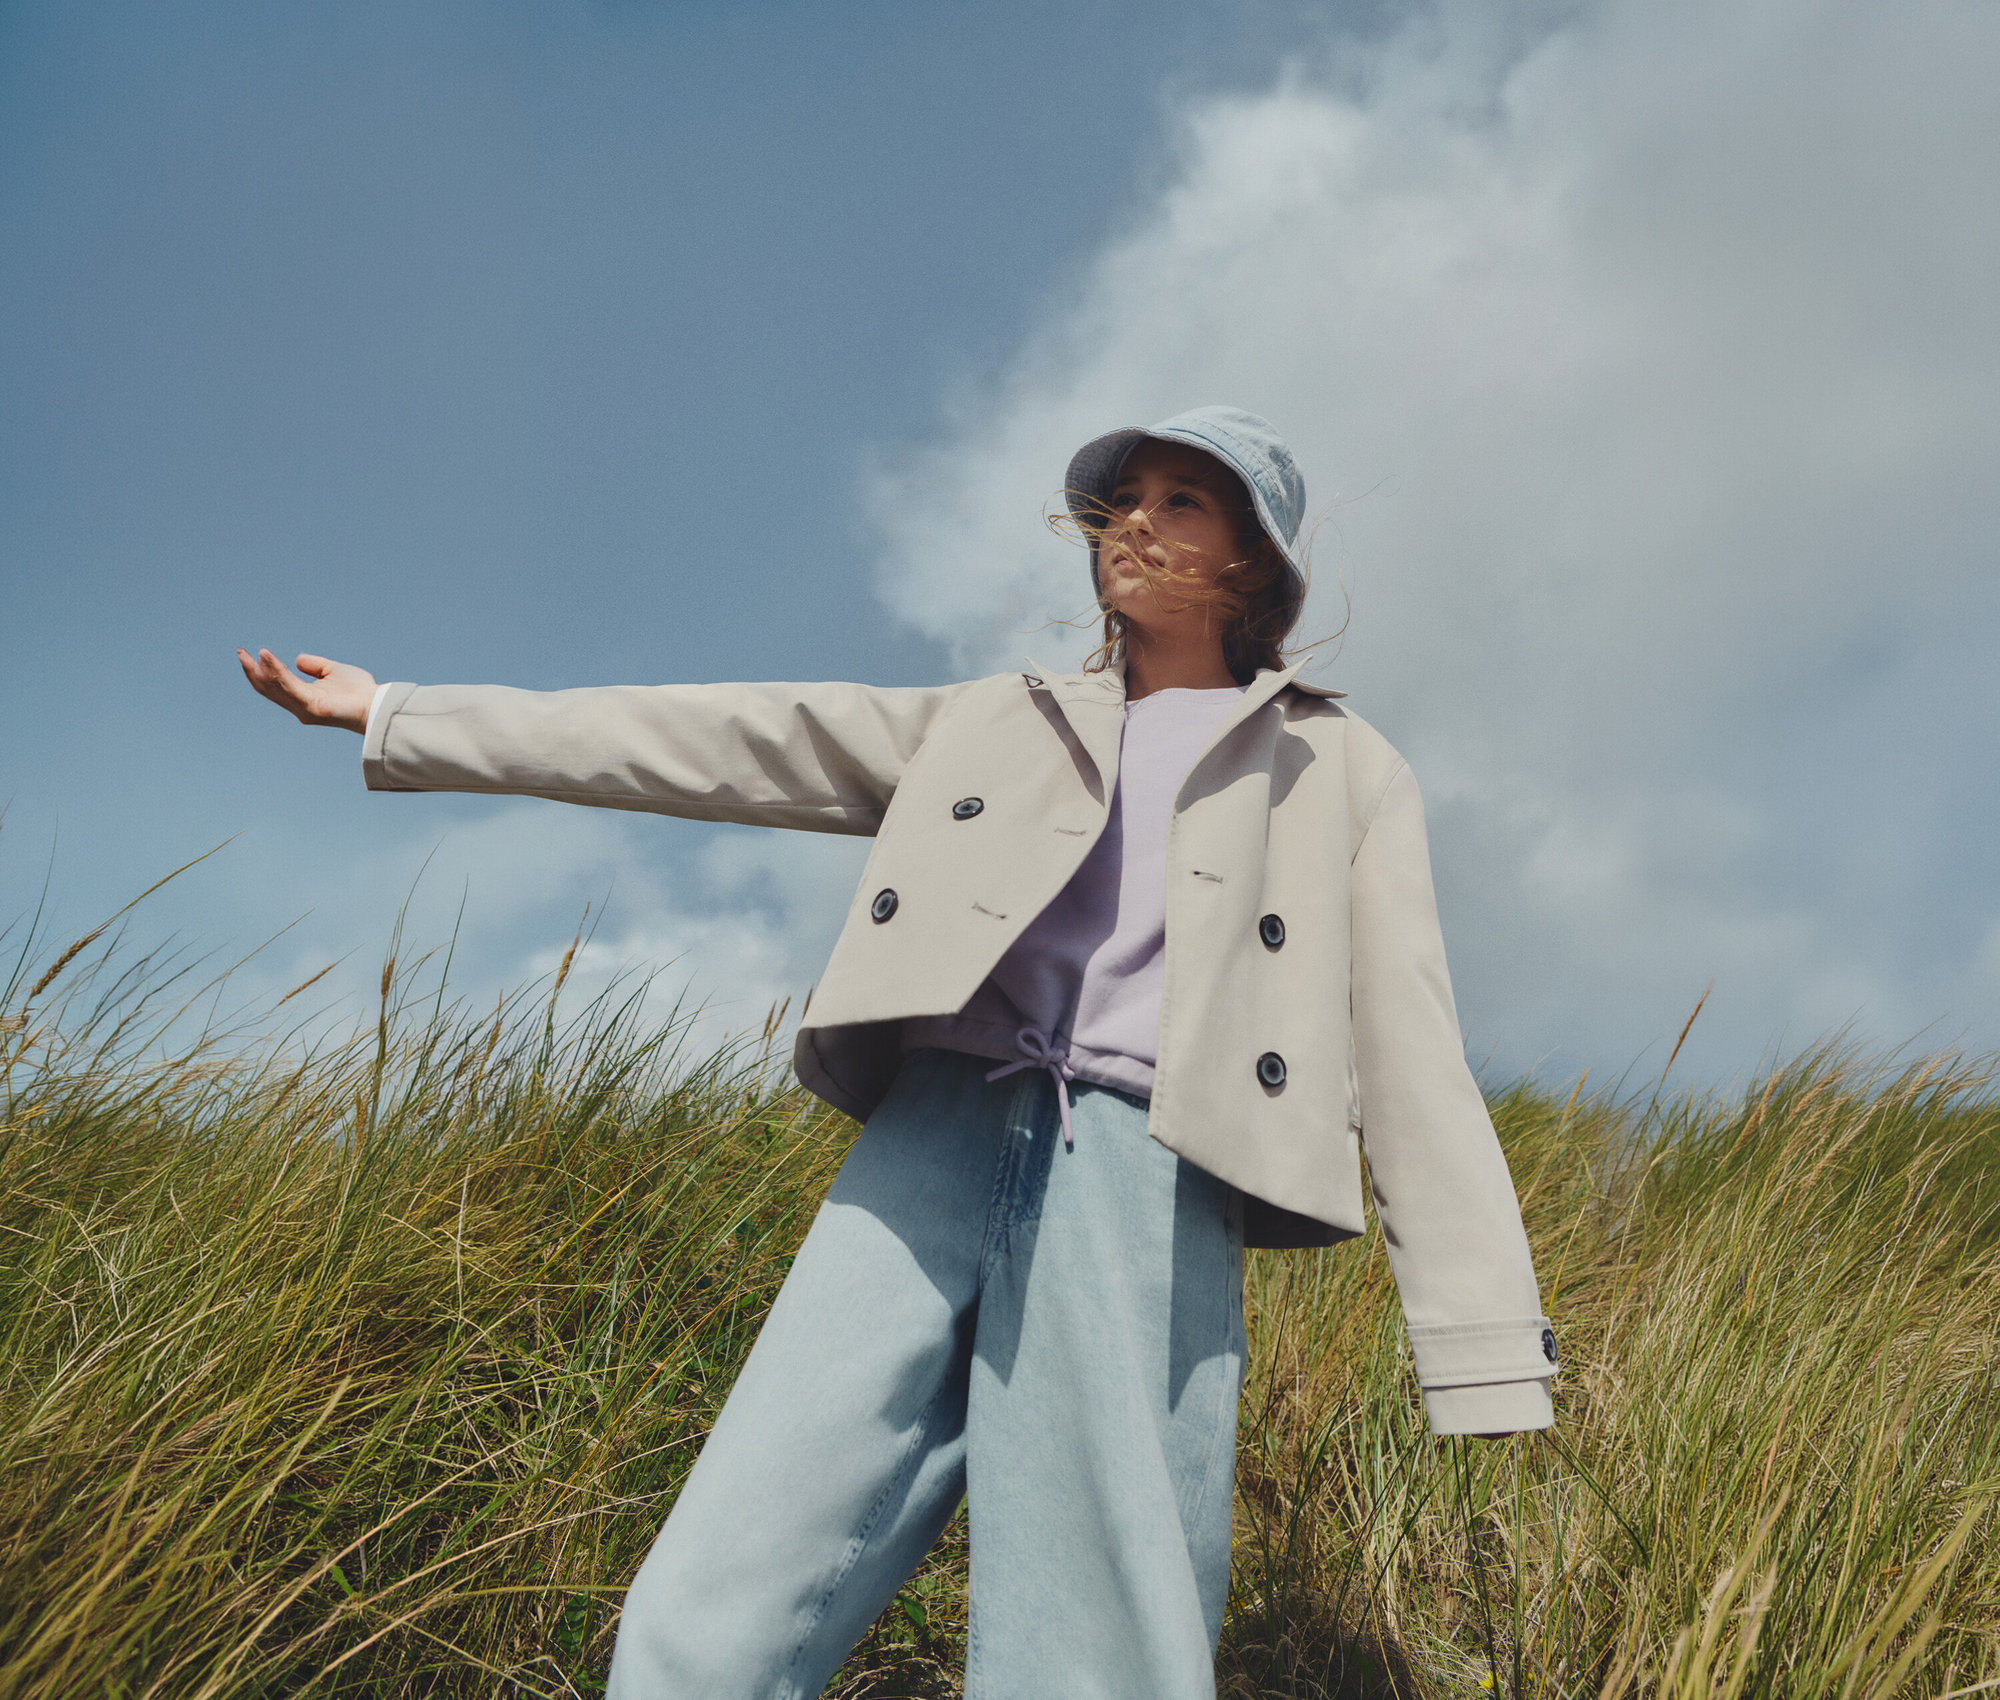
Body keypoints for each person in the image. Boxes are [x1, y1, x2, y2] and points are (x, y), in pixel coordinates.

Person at [239, 405, 1556, 1700]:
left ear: (1252, 561)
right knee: (722, 1588)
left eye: (1182, 501)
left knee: (1096, 1640)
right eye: (1123, 498)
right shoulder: (998, 718)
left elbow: (1409, 1047)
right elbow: (723, 738)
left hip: (1147, 1172)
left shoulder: (1337, 766)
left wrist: (1480, 1339)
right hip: (931, 1133)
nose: (1133, 524)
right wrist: (399, 715)